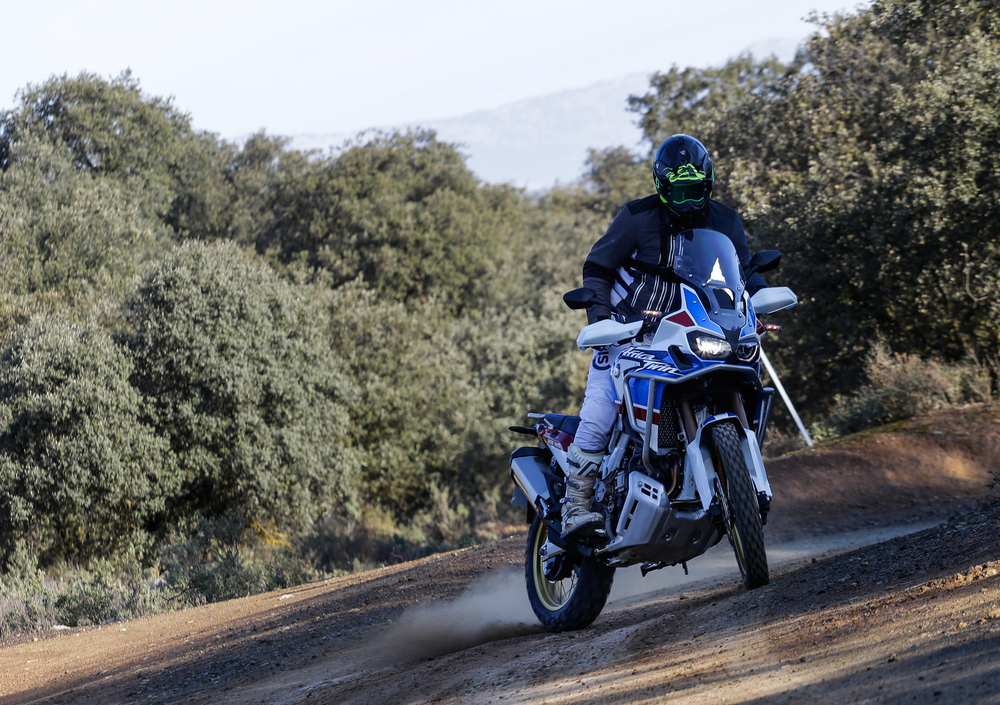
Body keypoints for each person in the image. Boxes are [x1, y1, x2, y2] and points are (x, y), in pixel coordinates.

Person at [562, 133, 768, 537]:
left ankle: (729, 477)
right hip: (630, 333)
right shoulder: (636, 217)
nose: (688, 201)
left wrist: (757, 303)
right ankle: (576, 504)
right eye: (679, 191)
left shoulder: (725, 220)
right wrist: (601, 320)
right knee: (601, 407)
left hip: (693, 330)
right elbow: (598, 268)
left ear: (708, 183)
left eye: (695, 190)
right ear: (662, 186)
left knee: (743, 374)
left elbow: (745, 271)